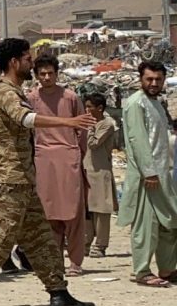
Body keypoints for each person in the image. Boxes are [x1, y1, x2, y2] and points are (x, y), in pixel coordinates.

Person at [0, 38, 96, 306]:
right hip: (9, 183)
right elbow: (26, 119)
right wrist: (68, 122)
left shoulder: (14, 91)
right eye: (27, 59)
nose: (31, 63)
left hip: (23, 182)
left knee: (42, 240)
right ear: (14, 62)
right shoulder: (5, 93)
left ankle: (58, 291)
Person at [29, 54, 89, 276]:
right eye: (42, 74)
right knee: (49, 213)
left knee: (73, 212)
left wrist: (78, 153)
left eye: (50, 73)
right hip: (43, 159)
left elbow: (82, 128)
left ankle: (75, 261)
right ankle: (55, 261)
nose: (47, 77)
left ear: (57, 73)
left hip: (68, 156)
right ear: (36, 75)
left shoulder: (70, 97)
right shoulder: (31, 99)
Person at [119, 61, 177, 288]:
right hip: (148, 177)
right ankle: (142, 271)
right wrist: (149, 172)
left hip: (163, 175)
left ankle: (167, 268)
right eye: (149, 79)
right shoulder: (136, 103)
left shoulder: (156, 103)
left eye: (158, 79)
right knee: (146, 225)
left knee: (169, 223)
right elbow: (138, 140)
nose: (153, 83)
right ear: (140, 79)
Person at [82, 93, 117, 258]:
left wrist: (89, 127)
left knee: (102, 210)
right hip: (86, 170)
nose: (87, 110)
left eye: (90, 107)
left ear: (100, 108)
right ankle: (85, 243)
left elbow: (93, 143)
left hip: (101, 172)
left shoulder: (107, 124)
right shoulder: (88, 123)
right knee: (87, 210)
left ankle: (100, 245)